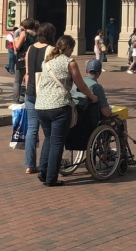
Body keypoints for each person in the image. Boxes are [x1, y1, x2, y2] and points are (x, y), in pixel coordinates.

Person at [35, 35, 98, 186]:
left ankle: (43, 171)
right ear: (68, 47)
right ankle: (51, 178)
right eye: (72, 49)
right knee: (57, 142)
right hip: (59, 106)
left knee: (48, 139)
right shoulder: (70, 62)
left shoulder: (47, 61)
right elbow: (81, 85)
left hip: (41, 105)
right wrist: (92, 97)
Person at [23, 22, 57, 175]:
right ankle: (48, 161)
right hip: (44, 92)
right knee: (49, 132)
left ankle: (30, 164)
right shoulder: (51, 50)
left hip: (30, 91)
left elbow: (28, 72)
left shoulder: (30, 49)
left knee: (32, 129)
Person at [12, 19, 36, 103]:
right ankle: (28, 98)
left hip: (22, 58)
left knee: (17, 81)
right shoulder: (36, 35)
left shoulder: (24, 33)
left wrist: (15, 41)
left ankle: (15, 100)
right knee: (29, 79)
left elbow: (18, 46)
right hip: (32, 59)